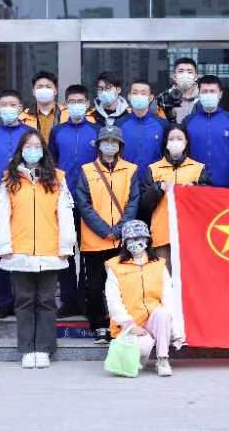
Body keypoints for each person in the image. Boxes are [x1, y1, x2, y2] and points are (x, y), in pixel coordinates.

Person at [0, 131, 76, 369]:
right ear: (21, 150)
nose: (32, 150)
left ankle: (44, 348)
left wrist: (66, 244)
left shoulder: (57, 178)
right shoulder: (9, 179)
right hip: (19, 250)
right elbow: (1, 214)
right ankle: (27, 349)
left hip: (50, 251)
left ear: (43, 150)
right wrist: (3, 245)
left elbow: (65, 213)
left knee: (47, 301)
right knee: (24, 301)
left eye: (37, 146)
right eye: (28, 146)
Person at [76, 126, 141, 344]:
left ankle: (119, 324)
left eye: (114, 142)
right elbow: (83, 204)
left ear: (120, 146)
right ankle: (99, 326)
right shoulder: (87, 170)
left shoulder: (131, 170)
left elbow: (134, 202)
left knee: (121, 286)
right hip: (94, 240)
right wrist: (104, 230)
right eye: (106, 141)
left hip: (121, 240)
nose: (110, 145)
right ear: (99, 145)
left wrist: (119, 229)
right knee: (95, 286)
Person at [0, 89, 34, 319]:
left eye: (12, 104)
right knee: (0, 250)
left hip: (25, 199)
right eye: (4, 104)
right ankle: (3, 301)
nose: (8, 108)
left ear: (21, 108)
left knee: (24, 249)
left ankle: (24, 300)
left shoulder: (30, 134)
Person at [105, 220, 183, 377]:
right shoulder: (115, 265)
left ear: (147, 240)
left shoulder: (159, 264)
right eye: (131, 239)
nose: (136, 243)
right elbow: (113, 300)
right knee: (144, 346)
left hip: (154, 320)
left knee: (163, 313)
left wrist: (175, 330)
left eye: (140, 238)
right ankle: (138, 357)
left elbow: (168, 298)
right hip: (130, 323)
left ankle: (162, 359)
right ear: (124, 242)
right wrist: (129, 325)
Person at [48, 84, 99, 318]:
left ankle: (86, 299)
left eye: (80, 101)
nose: (76, 104)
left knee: (88, 253)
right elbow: (51, 163)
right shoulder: (57, 132)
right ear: (66, 104)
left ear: (87, 104)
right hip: (64, 200)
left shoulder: (97, 130)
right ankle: (68, 301)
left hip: (91, 201)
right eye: (72, 101)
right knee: (66, 251)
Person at [141, 126, 209, 271]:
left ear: (186, 142)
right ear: (166, 142)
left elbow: (207, 202)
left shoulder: (198, 168)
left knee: (189, 276)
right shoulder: (153, 169)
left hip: (191, 235)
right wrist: (157, 188)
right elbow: (145, 205)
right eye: (171, 139)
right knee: (165, 277)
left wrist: (195, 189)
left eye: (179, 138)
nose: (175, 142)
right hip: (162, 234)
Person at [182, 75, 229, 188]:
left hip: (226, 186)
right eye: (204, 91)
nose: (208, 94)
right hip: (194, 185)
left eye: (212, 91)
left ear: (220, 94)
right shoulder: (188, 121)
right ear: (199, 94)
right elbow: (184, 154)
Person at [119, 79, 169, 178]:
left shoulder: (162, 124)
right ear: (129, 96)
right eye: (135, 93)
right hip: (126, 180)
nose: (139, 96)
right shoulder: (120, 124)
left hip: (154, 180)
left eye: (143, 93)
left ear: (151, 97)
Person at [19, 71, 66, 143]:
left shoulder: (67, 114)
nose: (44, 89)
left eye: (48, 87)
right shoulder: (22, 117)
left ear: (55, 91)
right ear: (33, 92)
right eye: (40, 87)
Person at [158, 57, 200, 123]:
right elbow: (159, 122)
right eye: (181, 71)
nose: (185, 75)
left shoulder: (202, 98)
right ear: (174, 77)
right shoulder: (164, 97)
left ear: (195, 77)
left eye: (189, 72)